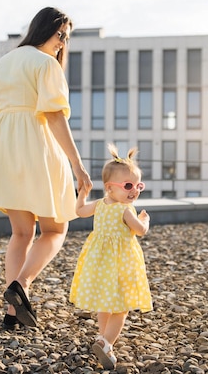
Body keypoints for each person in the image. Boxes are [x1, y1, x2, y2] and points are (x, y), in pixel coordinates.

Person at [0, 7, 92, 330]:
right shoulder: (46, 65)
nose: (62, 44)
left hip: (3, 146)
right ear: (46, 29)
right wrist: (78, 164)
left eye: (66, 39)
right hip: (36, 143)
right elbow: (55, 116)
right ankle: (21, 285)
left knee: (21, 232)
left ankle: (13, 313)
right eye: (60, 35)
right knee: (56, 229)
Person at [69, 144, 152, 370]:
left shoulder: (99, 205)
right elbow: (140, 231)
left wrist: (82, 195)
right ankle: (106, 342)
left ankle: (102, 337)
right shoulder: (125, 210)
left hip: (99, 263)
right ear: (109, 187)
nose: (134, 190)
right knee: (121, 307)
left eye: (138, 186)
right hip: (121, 264)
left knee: (105, 303)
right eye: (128, 186)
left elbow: (79, 211)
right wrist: (145, 220)